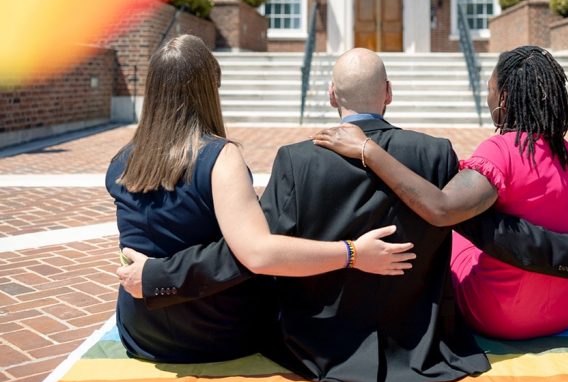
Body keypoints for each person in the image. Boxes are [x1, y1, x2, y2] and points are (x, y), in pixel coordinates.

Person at [119, 47, 568, 382]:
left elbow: (256, 253)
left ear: (330, 96)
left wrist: (160, 276)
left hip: (318, 341)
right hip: (419, 341)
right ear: (388, 93)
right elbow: (481, 227)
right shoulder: (435, 153)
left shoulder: (296, 160)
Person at [107, 35, 414, 364]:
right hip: (220, 333)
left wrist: (156, 277)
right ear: (210, 88)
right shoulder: (219, 157)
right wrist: (352, 253)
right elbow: (256, 253)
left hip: (142, 331)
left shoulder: (121, 163)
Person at [314, 45, 568, 340]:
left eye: (490, 89)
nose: (487, 98)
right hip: (567, 310)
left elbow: (442, 209)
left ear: (505, 99)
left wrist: (366, 150)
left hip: (502, 316)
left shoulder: (502, 149)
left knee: (451, 235)